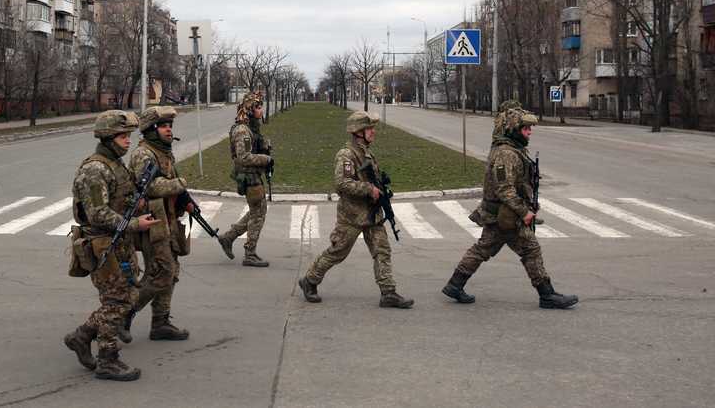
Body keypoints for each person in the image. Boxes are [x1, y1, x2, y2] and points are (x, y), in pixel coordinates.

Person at [441, 101, 578, 309]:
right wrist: (524, 212)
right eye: (526, 128)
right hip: (504, 216)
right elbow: (504, 189)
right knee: (530, 250)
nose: (529, 132)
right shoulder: (506, 153)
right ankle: (547, 295)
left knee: (482, 250)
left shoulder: (513, 150)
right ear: (513, 130)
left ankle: (455, 284)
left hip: (502, 215)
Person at [63, 110, 160, 381]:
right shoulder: (96, 169)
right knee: (116, 301)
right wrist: (133, 224)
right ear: (107, 138)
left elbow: (120, 199)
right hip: (103, 244)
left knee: (127, 297)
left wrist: (136, 204)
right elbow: (98, 214)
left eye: (128, 135)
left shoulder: (116, 164)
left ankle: (81, 336)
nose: (128, 141)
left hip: (120, 243)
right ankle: (108, 359)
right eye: (121, 136)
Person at [299, 111, 414, 309]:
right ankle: (309, 280)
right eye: (369, 128)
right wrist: (368, 189)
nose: (373, 132)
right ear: (358, 131)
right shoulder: (346, 154)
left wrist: (381, 190)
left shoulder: (366, 152)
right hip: (352, 215)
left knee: (382, 250)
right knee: (338, 252)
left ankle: (388, 292)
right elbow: (341, 184)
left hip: (371, 213)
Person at [119, 106, 194, 344]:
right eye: (164, 126)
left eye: (170, 126)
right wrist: (180, 184)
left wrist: (186, 200)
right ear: (152, 129)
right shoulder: (144, 153)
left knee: (171, 273)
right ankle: (122, 315)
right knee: (162, 273)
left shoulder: (164, 152)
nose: (169, 130)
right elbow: (150, 187)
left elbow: (169, 181)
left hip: (168, 219)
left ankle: (160, 322)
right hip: (151, 222)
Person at [217, 92, 272, 267]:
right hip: (249, 177)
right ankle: (250, 253)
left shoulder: (251, 128)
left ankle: (228, 237)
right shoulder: (243, 130)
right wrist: (266, 159)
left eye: (261, 106)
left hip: (253, 175)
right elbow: (244, 157)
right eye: (258, 107)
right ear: (249, 109)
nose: (261, 110)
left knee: (257, 211)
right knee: (258, 213)